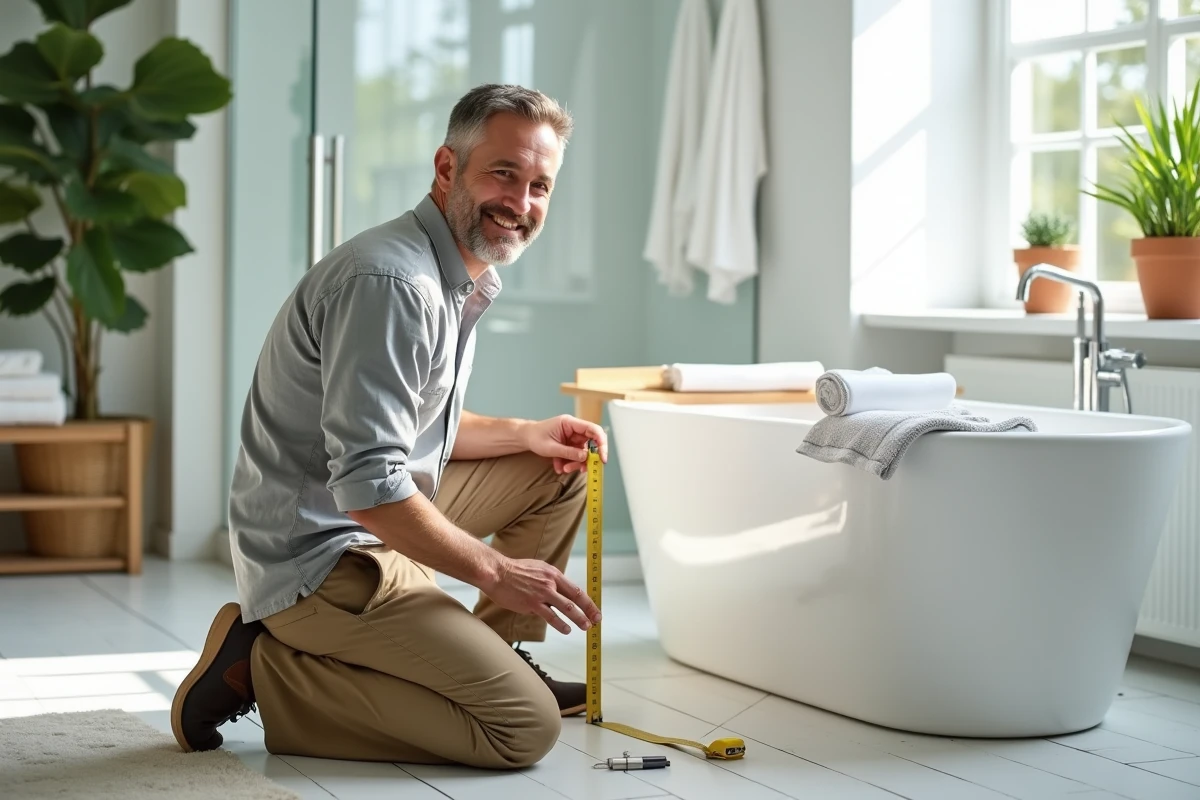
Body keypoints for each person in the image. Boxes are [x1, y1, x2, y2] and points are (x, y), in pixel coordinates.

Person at [171, 83, 607, 769]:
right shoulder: (394, 284)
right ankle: (266, 668)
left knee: (554, 474)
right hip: (321, 557)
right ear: (446, 169)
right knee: (523, 729)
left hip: (369, 513)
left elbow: (407, 428)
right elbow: (371, 484)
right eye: (503, 173)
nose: (520, 204)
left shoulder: (456, 275)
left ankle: (498, 655)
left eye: (539, 185)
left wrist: (527, 433)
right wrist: (494, 570)